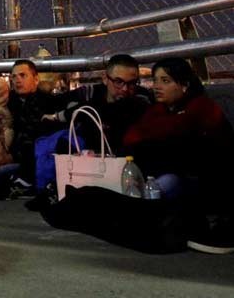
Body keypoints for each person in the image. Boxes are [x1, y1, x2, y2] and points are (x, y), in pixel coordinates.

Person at [122, 57, 234, 254]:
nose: (157, 86)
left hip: (208, 182)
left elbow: (183, 134)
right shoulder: (158, 110)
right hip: (173, 174)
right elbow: (131, 138)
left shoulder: (203, 107)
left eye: (165, 81)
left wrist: (155, 136)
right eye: (155, 80)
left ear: (184, 85)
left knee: (182, 149)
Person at [42, 54, 151, 151]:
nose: (125, 89)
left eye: (132, 83)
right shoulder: (91, 93)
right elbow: (56, 102)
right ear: (105, 78)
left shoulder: (141, 98)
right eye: (118, 82)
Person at [6, 59, 63, 187]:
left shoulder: (48, 104)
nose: (17, 80)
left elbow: (37, 139)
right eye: (14, 77)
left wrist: (11, 156)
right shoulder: (10, 102)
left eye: (23, 75)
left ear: (36, 79)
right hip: (6, 154)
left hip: (29, 162)